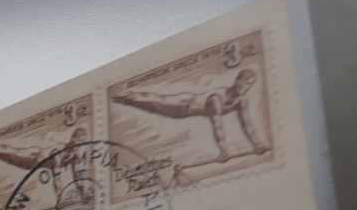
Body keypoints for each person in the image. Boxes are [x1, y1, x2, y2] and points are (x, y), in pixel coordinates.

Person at [112, 68, 270, 162]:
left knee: (152, 106)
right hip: (181, 104)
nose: (246, 87)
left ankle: (127, 99)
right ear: (237, 80)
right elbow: (217, 126)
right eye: (244, 82)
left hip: (183, 113)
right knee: (154, 100)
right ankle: (125, 98)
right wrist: (224, 150)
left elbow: (247, 125)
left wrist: (258, 144)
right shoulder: (217, 98)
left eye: (250, 84)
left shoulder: (242, 100)